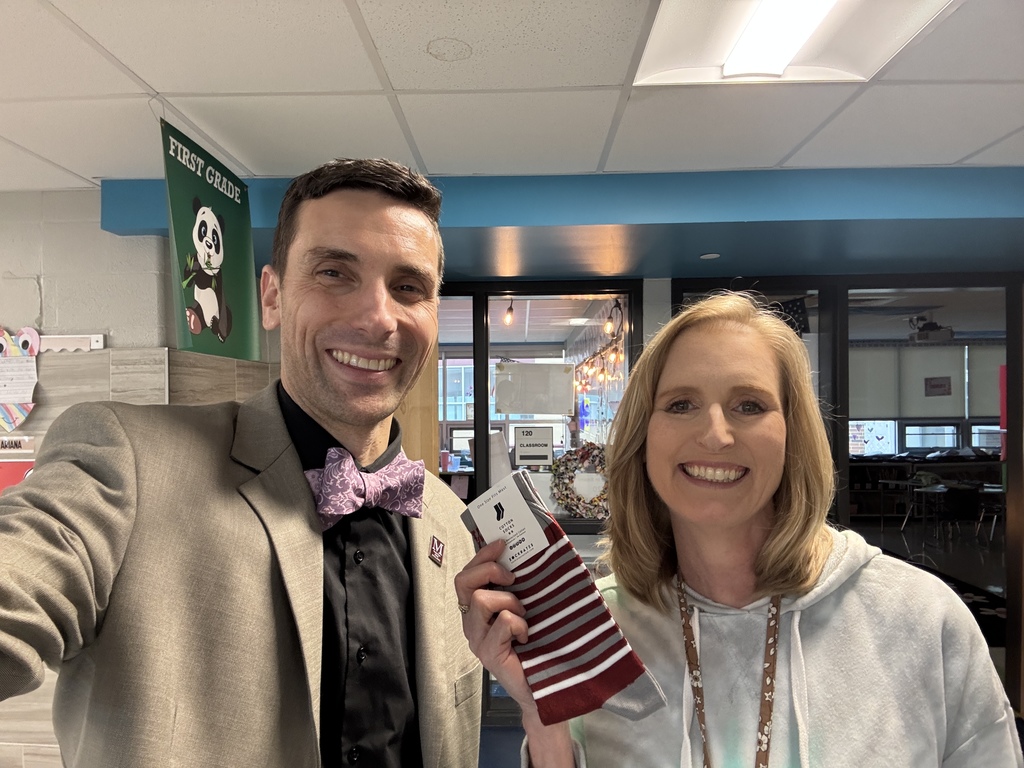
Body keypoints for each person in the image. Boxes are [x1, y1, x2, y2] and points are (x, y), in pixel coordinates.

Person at [0, 158, 482, 767]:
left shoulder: (451, 523)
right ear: (273, 296)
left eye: (409, 287)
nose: (378, 318)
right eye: (334, 273)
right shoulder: (126, 462)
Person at [457, 291, 1022, 767]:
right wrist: (541, 709)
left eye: (749, 405)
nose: (716, 436)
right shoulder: (596, 633)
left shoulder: (920, 622)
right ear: (642, 438)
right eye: (680, 404)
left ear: (792, 433)